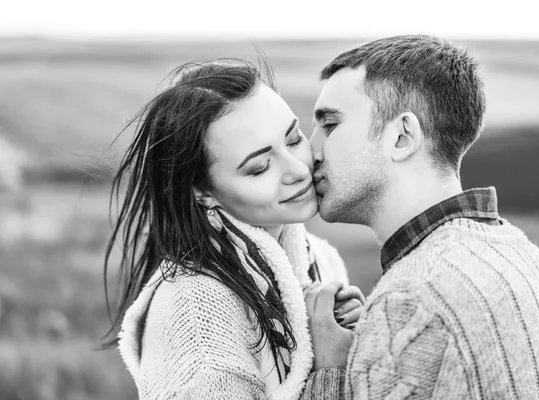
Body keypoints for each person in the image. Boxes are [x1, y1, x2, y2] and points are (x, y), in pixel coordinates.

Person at [303, 35, 539, 399]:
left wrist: (331, 371)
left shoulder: (411, 299)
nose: (311, 152)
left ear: (402, 137)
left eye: (330, 125)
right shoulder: (526, 255)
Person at [101, 59, 365, 400]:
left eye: (294, 138)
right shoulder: (196, 322)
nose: (297, 169)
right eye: (260, 167)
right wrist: (330, 369)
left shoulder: (321, 258)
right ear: (202, 191)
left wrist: (358, 338)